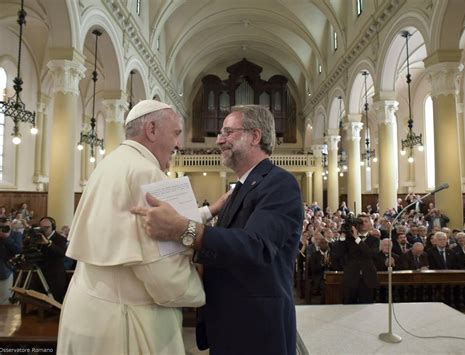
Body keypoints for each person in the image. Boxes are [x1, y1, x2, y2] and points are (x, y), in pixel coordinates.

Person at [57, 100, 226, 354]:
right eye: (176, 133)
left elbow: (124, 229)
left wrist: (206, 211)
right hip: (125, 324)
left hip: (88, 312)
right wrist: (203, 291)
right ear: (152, 129)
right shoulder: (147, 173)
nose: (178, 145)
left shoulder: (110, 164)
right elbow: (163, 274)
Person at [133, 104, 304, 355]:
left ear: (255, 137)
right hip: (230, 323)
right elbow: (224, 251)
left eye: (227, 132)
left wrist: (185, 229)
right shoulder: (238, 190)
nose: (219, 140)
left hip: (258, 329)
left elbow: (256, 245)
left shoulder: (279, 183)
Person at [31, 216, 67, 303]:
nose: (44, 230)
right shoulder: (37, 237)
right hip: (40, 272)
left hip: (54, 276)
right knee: (39, 298)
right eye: (42, 227)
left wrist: (48, 243)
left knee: (55, 301)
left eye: (47, 227)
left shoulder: (60, 239)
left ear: (53, 227)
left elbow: (62, 253)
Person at [0, 217, 22, 304]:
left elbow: (18, 250)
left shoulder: (16, 234)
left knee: (4, 299)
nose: (2, 229)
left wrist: (6, 238)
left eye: (5, 227)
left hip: (5, 270)